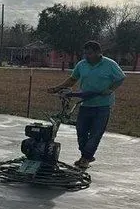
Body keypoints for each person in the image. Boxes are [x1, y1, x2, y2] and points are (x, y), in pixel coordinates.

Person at [47, 41, 126, 169]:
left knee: (96, 133)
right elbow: (73, 79)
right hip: (86, 103)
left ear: (98, 53)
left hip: (103, 105)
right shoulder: (82, 65)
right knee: (81, 131)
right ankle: (87, 155)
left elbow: (121, 78)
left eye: (89, 53)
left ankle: (86, 157)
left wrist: (110, 89)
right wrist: (58, 88)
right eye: (85, 53)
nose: (86, 56)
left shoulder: (109, 64)